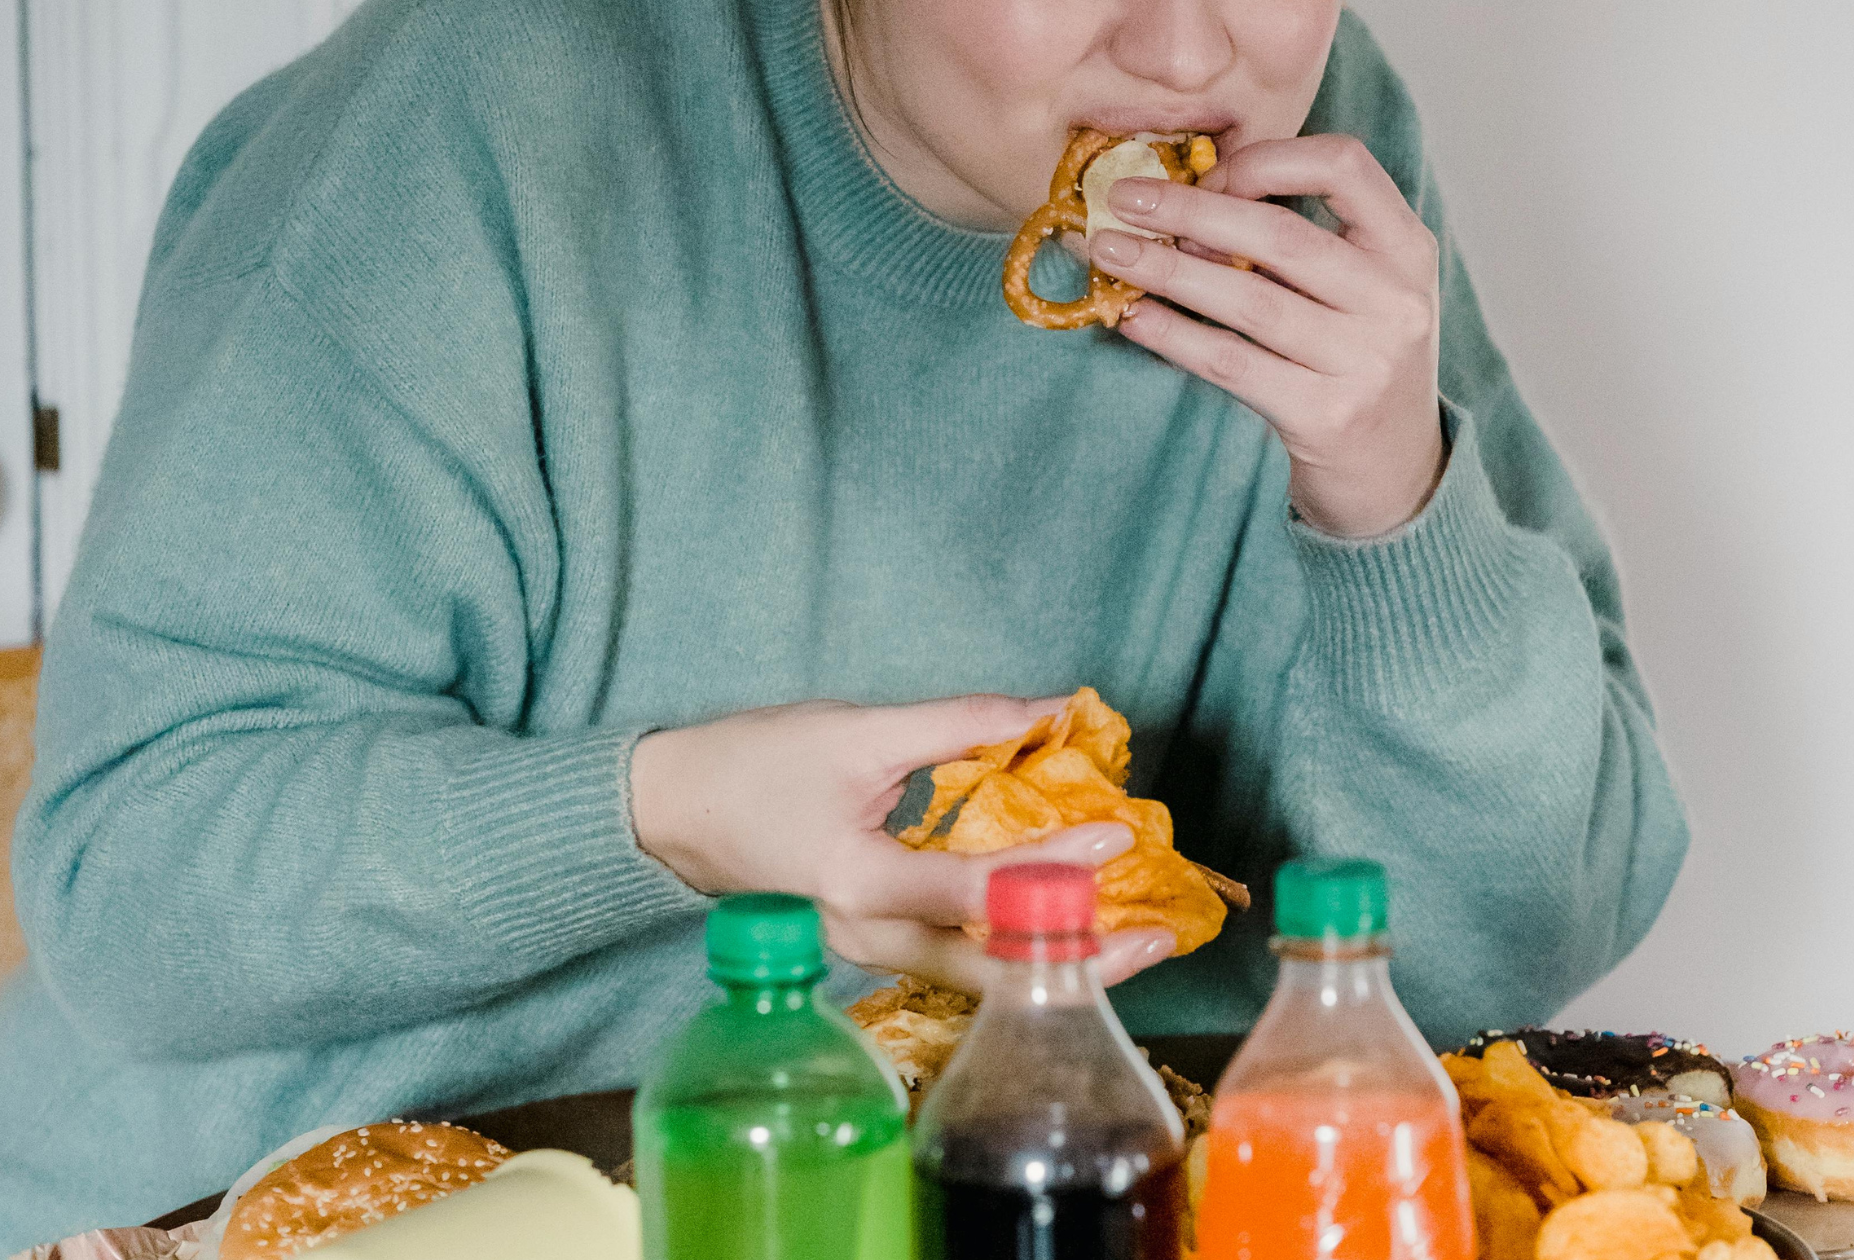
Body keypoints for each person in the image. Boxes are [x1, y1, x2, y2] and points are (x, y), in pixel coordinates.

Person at [0, 0, 1688, 1243]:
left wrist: (1390, 496)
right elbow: (126, 887)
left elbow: (1516, 934)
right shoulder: (472, 124)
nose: (1191, 56)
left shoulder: (1317, 159)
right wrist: (673, 817)